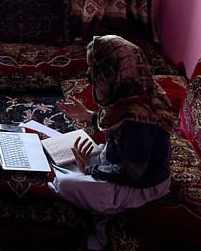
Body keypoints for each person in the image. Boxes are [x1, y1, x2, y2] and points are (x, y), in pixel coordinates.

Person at [50, 35, 175, 250]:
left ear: (113, 71)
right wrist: (88, 115)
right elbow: (116, 118)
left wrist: (91, 170)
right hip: (117, 161)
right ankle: (87, 178)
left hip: (141, 185)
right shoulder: (130, 89)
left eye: (93, 68)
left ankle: (101, 218)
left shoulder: (141, 121)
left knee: (63, 184)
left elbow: (132, 174)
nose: (89, 74)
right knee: (63, 158)